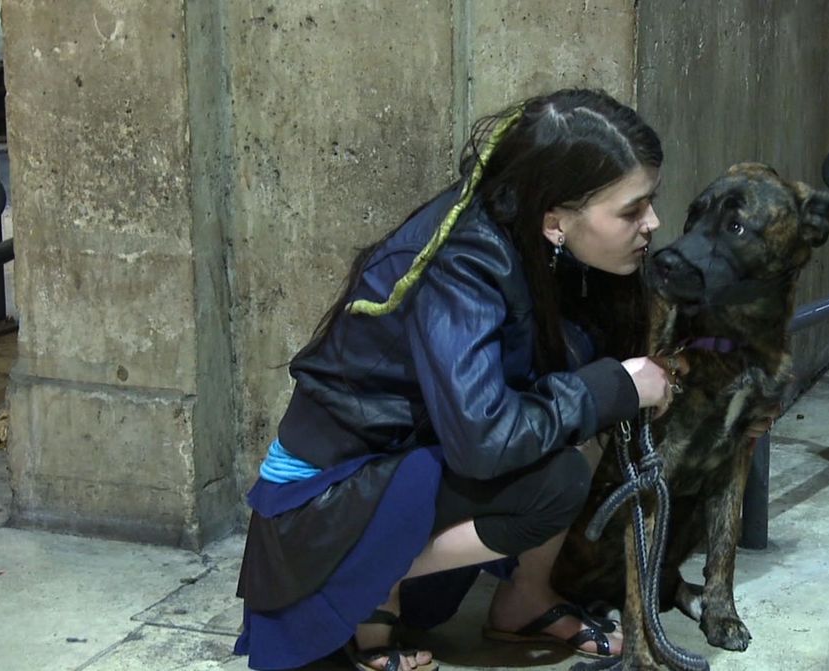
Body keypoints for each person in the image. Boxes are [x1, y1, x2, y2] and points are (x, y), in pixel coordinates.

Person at [233, 88, 676, 671]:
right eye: (630, 210)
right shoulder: (463, 261)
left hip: (405, 466)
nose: (653, 223)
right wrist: (614, 387)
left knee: (582, 411)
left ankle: (523, 600)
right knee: (562, 469)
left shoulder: (536, 243)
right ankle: (350, 585)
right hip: (323, 503)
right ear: (556, 220)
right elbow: (483, 439)